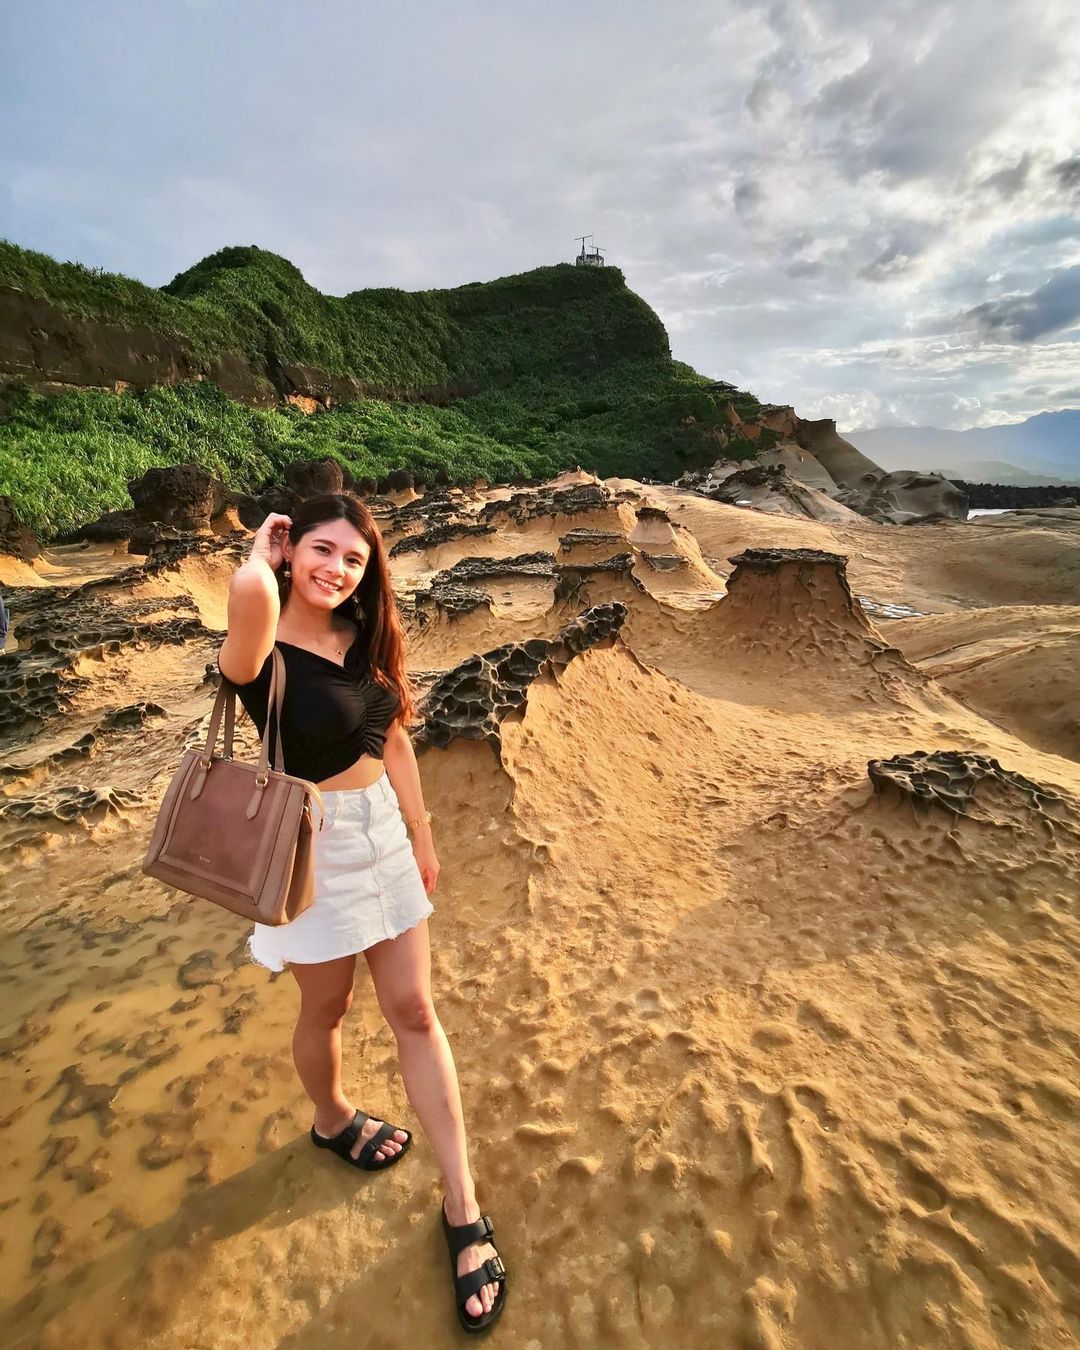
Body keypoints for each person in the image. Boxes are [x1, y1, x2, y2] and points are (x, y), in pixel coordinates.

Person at [217, 492, 507, 1334]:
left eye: (354, 558)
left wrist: (421, 832)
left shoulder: (360, 636)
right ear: (289, 551)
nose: (337, 569)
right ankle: (332, 1118)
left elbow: (392, 738)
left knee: (415, 1010)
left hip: (381, 831)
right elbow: (246, 598)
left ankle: (463, 1207)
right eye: (319, 549)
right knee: (328, 1007)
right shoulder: (259, 643)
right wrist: (259, 550)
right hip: (308, 847)